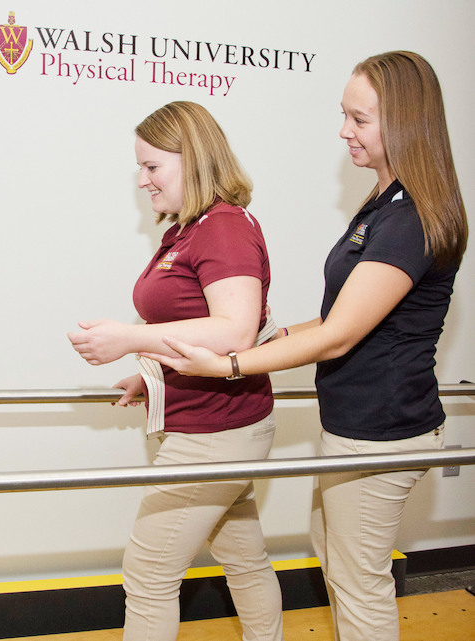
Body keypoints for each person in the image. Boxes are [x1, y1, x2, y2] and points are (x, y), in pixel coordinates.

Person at [140, 52, 469, 641]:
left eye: (359, 119)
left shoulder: (410, 218)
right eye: (345, 115)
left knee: (359, 582)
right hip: (356, 423)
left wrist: (232, 362)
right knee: (339, 563)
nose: (344, 130)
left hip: (383, 429)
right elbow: (344, 315)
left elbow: (342, 334)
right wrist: (279, 335)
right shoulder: (382, 206)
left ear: (405, 122)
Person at [68, 101, 284, 641]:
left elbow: (234, 330)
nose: (143, 181)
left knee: (148, 574)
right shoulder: (190, 228)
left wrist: (129, 339)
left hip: (215, 433)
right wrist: (152, 372)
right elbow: (193, 320)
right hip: (218, 422)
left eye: (152, 167)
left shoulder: (223, 227)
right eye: (140, 168)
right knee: (244, 557)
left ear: (193, 159)